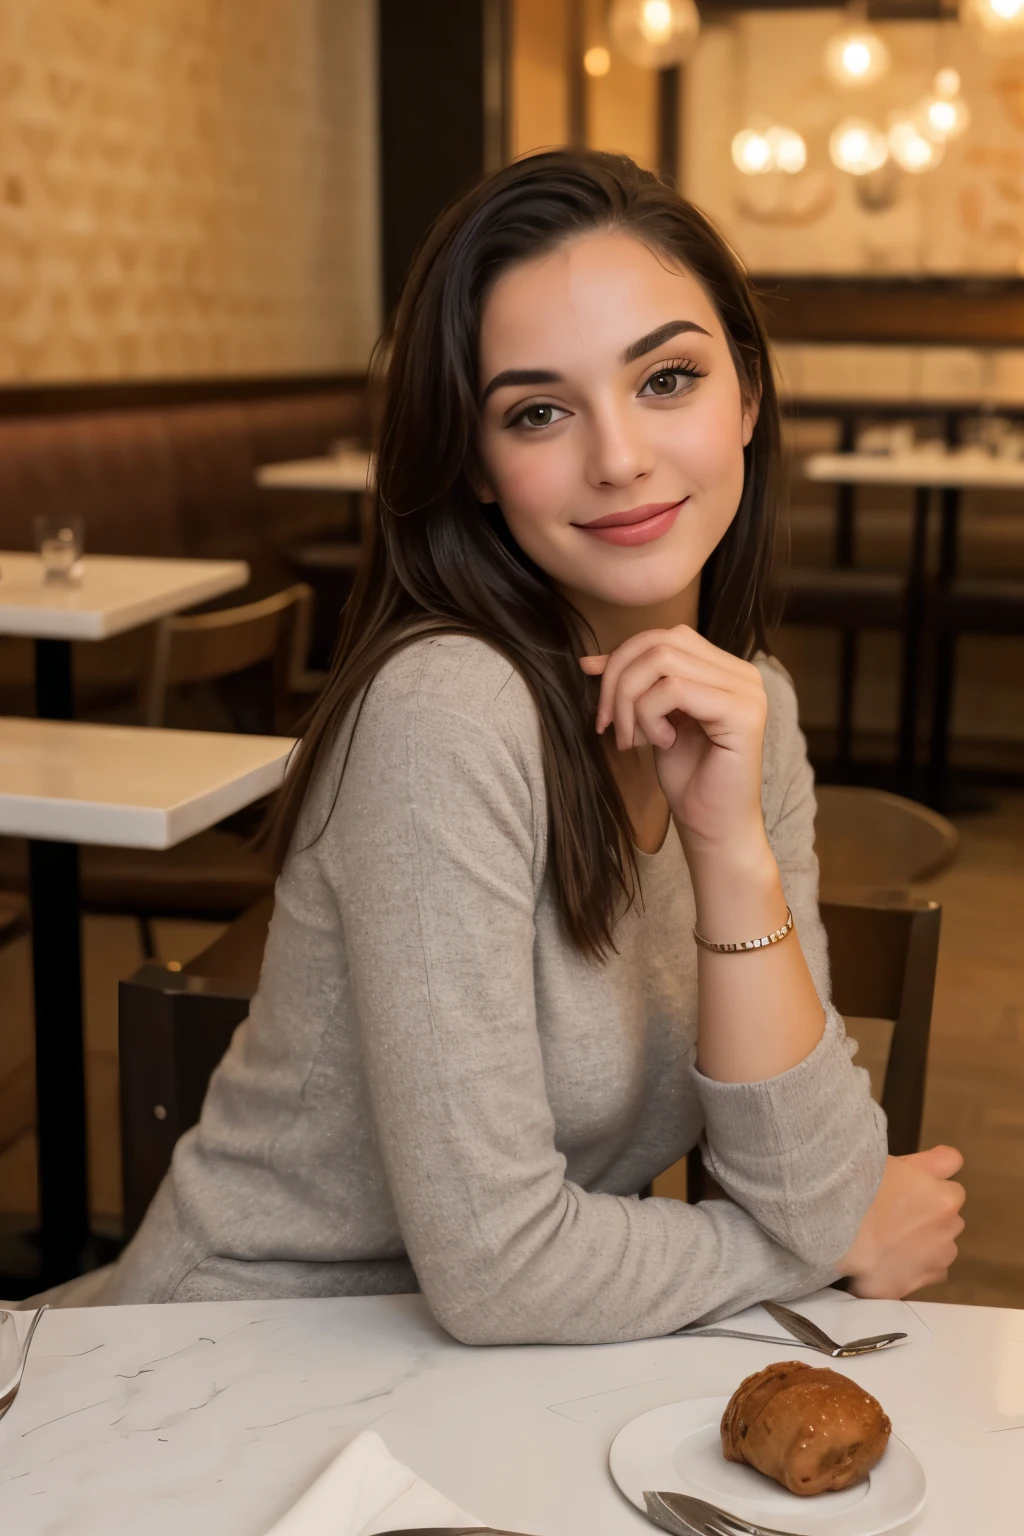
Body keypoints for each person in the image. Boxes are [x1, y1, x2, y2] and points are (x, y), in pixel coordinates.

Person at [96, 151, 965, 1339]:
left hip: (510, 1387)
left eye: (666, 378)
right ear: (477, 466)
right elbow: (505, 1271)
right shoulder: (446, 715)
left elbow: (811, 1184)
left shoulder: (744, 706)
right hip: (239, 1367)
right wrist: (801, 1252)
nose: (616, 457)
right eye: (539, 411)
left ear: (748, 400)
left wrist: (728, 844)